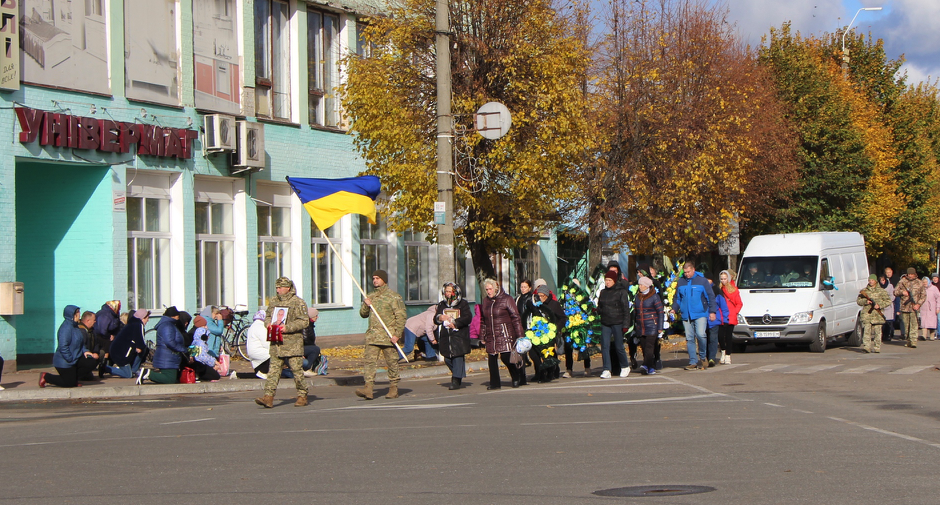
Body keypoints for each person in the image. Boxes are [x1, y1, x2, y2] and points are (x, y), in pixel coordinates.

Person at [255, 277, 311, 408]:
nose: (278, 290)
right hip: (276, 343)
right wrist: (268, 324)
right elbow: (268, 316)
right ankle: (268, 397)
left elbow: (304, 321)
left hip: (292, 344)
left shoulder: (298, 302)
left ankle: (302, 395)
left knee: (296, 370)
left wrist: (288, 327)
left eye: (280, 287)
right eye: (276, 288)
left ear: (288, 288)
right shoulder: (274, 301)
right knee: (273, 371)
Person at [355, 270, 406, 400]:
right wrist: (366, 305)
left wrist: (397, 334)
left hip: (388, 337)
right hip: (373, 336)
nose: (375, 280)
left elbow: (401, 317)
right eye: (373, 278)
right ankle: (368, 388)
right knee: (369, 363)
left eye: (377, 278)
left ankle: (393, 388)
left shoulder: (394, 297)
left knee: (392, 363)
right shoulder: (371, 296)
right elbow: (363, 314)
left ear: (384, 279)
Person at [479, 278, 525, 389]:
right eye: (487, 289)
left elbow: (515, 317)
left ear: (496, 288)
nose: (488, 291)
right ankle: (494, 383)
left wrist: (520, 335)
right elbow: (483, 320)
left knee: (506, 358)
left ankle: (516, 377)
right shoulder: (486, 301)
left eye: (490, 289)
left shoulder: (507, 299)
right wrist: (482, 335)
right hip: (491, 334)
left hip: (505, 333)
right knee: (492, 359)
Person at [671, 261, 717, 370]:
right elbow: (677, 298)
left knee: (701, 335)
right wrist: (674, 309)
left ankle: (702, 356)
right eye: (685, 272)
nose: (687, 274)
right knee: (689, 338)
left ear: (693, 270)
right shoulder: (681, 281)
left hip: (700, 313)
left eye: (688, 272)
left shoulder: (702, 281)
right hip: (686, 314)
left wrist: (712, 311)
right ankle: (693, 361)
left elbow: (710, 296)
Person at [39, 305, 98, 388]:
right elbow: (63, 346)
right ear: (72, 315)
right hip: (65, 361)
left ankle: (74, 379)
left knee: (91, 362)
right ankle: (46, 377)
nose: (79, 315)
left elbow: (81, 343)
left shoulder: (76, 327)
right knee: (68, 383)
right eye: (77, 313)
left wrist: (85, 351)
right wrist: (70, 359)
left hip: (75, 358)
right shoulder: (65, 328)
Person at [434, 283, 473, 390]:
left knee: (458, 357)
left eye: (450, 291)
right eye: (446, 291)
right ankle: (458, 374)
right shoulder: (442, 304)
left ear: (455, 292)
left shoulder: (463, 303)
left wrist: (456, 323)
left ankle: (455, 380)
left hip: (459, 336)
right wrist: (440, 317)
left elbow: (468, 317)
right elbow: (435, 319)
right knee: (447, 359)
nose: (448, 293)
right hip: (447, 336)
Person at [596, 270, 631, 378]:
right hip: (605, 322)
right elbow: (601, 307)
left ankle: (625, 366)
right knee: (605, 346)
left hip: (617, 322)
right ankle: (606, 369)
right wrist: (596, 310)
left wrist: (626, 325)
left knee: (618, 346)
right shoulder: (603, 292)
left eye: (610, 280)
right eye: (606, 280)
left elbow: (626, 309)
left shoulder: (621, 292)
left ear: (614, 281)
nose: (607, 282)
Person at [529, 284, 565, 383]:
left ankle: (551, 371)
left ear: (546, 295)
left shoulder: (554, 304)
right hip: (539, 332)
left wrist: (556, 328)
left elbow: (562, 318)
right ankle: (542, 372)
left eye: (542, 296)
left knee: (549, 353)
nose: (540, 298)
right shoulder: (538, 305)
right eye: (538, 296)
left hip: (551, 332)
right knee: (535, 353)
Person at [145, 306, 188, 384]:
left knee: (172, 378)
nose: (179, 318)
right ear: (174, 316)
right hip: (167, 356)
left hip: (169, 356)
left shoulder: (169, 324)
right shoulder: (167, 325)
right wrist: (183, 349)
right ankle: (147, 374)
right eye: (178, 316)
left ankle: (148, 374)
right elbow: (169, 341)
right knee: (170, 379)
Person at [634, 276, 664, 375]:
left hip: (652, 325)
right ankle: (650, 367)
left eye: (641, 285)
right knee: (643, 346)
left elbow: (660, 312)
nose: (640, 286)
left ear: (647, 286)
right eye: (639, 284)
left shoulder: (654, 296)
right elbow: (636, 312)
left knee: (649, 347)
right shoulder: (638, 297)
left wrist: (660, 327)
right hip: (641, 326)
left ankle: (645, 364)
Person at [109, 309, 150, 379]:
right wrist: (140, 347)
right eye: (147, 318)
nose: (148, 320)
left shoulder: (132, 324)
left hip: (119, 351)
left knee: (143, 350)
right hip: (122, 354)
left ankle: (133, 370)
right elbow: (140, 340)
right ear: (143, 317)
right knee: (128, 375)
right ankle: (107, 368)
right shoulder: (138, 325)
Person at [856, 274, 892, 353]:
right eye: (869, 280)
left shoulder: (881, 291)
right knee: (867, 331)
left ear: (875, 281)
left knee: (878, 332)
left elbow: (888, 301)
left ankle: (877, 347)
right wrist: (866, 301)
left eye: (872, 280)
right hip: (867, 314)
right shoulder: (864, 291)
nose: (871, 282)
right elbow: (859, 301)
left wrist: (879, 305)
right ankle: (867, 346)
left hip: (878, 315)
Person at [895, 267, 926, 348]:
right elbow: (895, 292)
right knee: (906, 326)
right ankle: (909, 340)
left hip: (914, 307)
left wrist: (918, 304)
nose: (911, 276)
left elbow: (923, 295)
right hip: (905, 307)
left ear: (915, 274)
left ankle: (913, 341)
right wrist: (902, 292)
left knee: (914, 324)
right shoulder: (902, 281)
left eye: (912, 274)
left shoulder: (919, 282)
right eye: (909, 274)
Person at [93, 300, 123, 377]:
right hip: (100, 336)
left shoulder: (113, 314)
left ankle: (106, 365)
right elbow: (102, 329)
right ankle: (103, 366)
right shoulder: (105, 315)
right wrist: (109, 336)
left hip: (108, 334)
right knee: (108, 346)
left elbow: (117, 325)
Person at [188, 316, 222, 382]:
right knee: (216, 376)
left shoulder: (195, 341)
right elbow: (203, 357)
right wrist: (214, 363)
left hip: (197, 364)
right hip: (200, 366)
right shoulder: (201, 344)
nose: (209, 337)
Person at [718, 270, 742, 364]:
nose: (723, 281)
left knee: (728, 336)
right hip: (720, 315)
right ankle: (723, 351)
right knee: (720, 336)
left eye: (725, 278)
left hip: (730, 316)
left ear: (728, 278)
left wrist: (734, 312)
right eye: (722, 279)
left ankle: (728, 355)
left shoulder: (734, 290)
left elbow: (739, 303)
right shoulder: (719, 289)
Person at [705, 279, 728, 367]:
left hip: (714, 320)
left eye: (708, 279)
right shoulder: (701, 289)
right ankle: (706, 357)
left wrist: (725, 319)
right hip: (703, 319)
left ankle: (712, 358)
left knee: (713, 339)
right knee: (704, 339)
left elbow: (724, 306)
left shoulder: (717, 290)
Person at [245, 310, 271, 379]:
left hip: (252, 352)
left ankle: (261, 371)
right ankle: (263, 371)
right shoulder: (260, 327)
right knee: (276, 354)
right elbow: (266, 343)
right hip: (259, 352)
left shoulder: (253, 326)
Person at [78, 311, 99, 380]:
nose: (95, 322)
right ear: (88, 320)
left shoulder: (92, 330)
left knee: (100, 354)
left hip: (90, 352)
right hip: (83, 355)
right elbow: (81, 345)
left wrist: (96, 352)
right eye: (94, 320)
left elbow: (96, 343)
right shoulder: (81, 331)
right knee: (91, 362)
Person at [302, 308, 322, 376]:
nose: (317, 317)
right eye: (316, 316)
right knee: (315, 349)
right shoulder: (306, 326)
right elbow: (305, 339)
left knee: (315, 349)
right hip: (301, 347)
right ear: (311, 316)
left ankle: (307, 367)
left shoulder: (310, 325)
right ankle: (306, 369)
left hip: (304, 347)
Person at [920, 277, 940, 341]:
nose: (924, 283)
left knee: (932, 322)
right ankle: (924, 335)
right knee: (924, 322)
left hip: (932, 308)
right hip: (923, 307)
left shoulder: (934, 288)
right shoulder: (921, 289)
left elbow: (938, 298)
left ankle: (932, 335)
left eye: (926, 282)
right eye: (923, 282)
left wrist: (938, 308)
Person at [878, 274, 896, 343]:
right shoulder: (878, 287)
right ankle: (882, 335)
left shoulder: (890, 286)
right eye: (881, 280)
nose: (882, 282)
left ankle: (888, 335)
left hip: (889, 306)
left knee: (889, 322)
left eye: (883, 280)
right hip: (881, 306)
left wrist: (888, 301)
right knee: (882, 322)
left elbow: (893, 295)